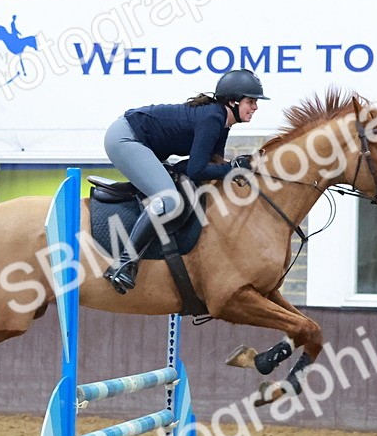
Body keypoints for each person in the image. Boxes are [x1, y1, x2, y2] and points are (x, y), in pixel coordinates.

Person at [101, 68, 267, 294]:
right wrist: (232, 168)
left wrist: (238, 169)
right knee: (169, 200)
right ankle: (123, 264)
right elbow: (199, 170)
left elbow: (208, 165)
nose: (255, 107)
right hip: (125, 138)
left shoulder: (222, 122)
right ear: (233, 102)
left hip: (143, 142)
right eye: (251, 101)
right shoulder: (212, 118)